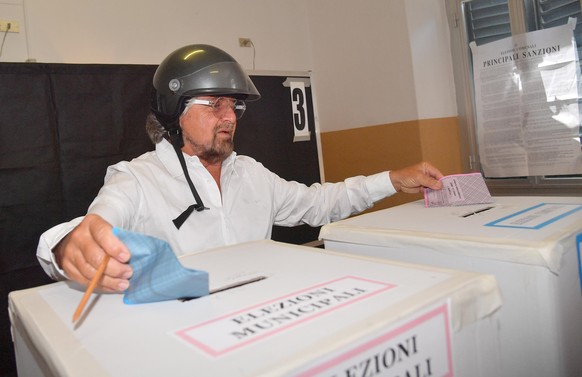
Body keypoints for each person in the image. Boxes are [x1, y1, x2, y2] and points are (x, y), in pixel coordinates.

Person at [36, 44, 444, 293]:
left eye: (235, 105)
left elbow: (321, 203)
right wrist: (67, 245)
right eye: (215, 104)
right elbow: (92, 228)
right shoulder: (136, 179)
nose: (230, 116)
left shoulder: (250, 174)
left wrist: (392, 179)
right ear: (175, 112)